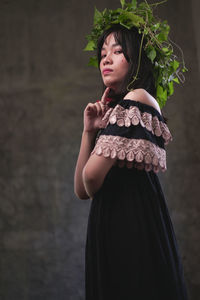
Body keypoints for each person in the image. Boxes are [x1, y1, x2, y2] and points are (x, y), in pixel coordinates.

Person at [74, 4, 189, 300]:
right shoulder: (120, 109)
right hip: (116, 223)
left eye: (117, 51)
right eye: (102, 55)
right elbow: (81, 191)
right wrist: (89, 130)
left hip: (129, 227)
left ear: (136, 57)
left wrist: (103, 131)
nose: (106, 60)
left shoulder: (136, 100)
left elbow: (91, 180)